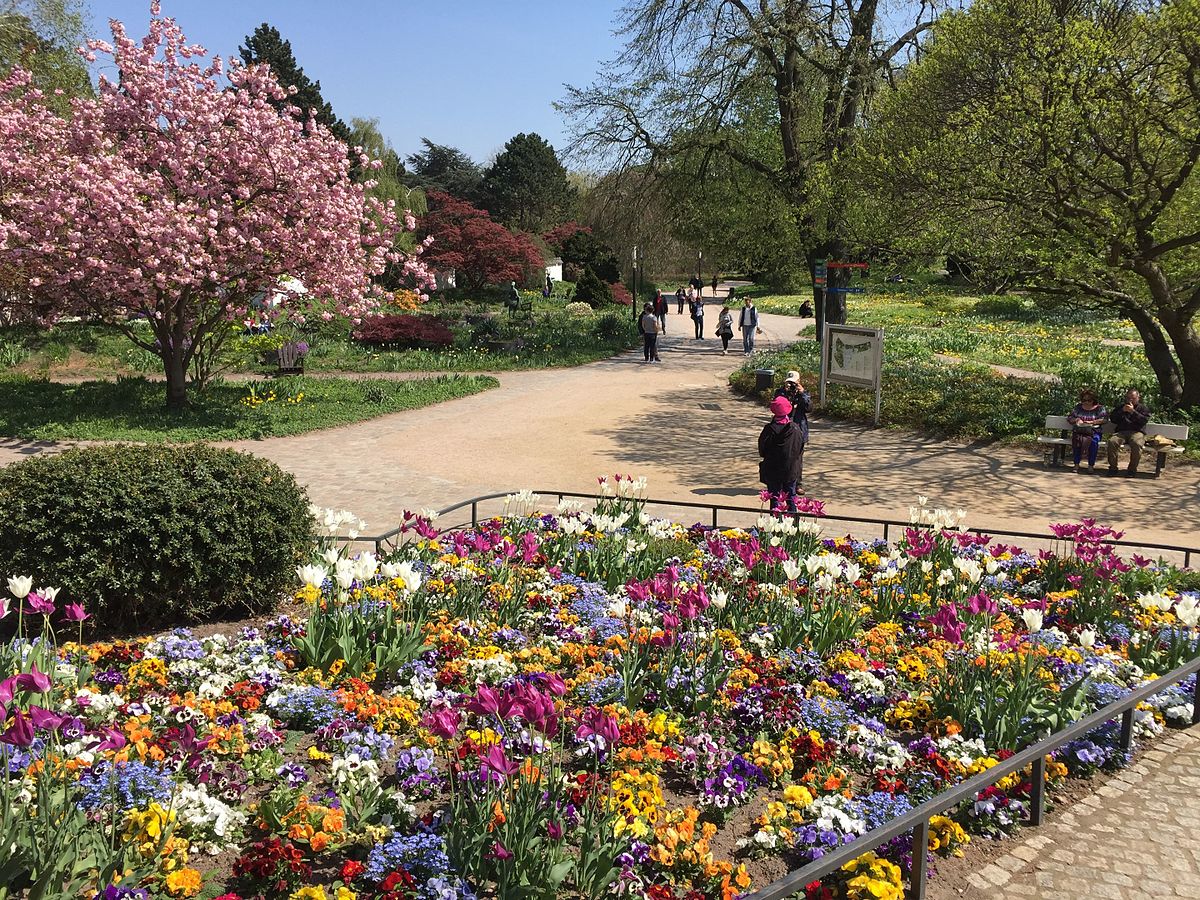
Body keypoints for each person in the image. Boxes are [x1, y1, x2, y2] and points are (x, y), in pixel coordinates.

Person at [758, 396, 805, 512]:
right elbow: (800, 448)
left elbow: (762, 450)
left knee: (775, 498)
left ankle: (775, 526)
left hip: (773, 470)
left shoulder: (768, 430)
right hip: (791, 470)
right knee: (791, 497)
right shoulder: (795, 429)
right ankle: (793, 525)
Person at [773, 371, 813, 485]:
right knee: (781, 456)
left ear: (798, 382)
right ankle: (781, 482)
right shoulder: (780, 392)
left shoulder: (803, 393)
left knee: (797, 459)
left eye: (793, 383)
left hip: (799, 429)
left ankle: (797, 483)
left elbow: (809, 408)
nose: (791, 385)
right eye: (789, 382)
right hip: (783, 428)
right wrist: (785, 393)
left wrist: (802, 393)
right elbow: (777, 405)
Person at [1107, 388, 1150, 476]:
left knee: (1136, 443)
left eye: (1133, 398)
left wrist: (1132, 411)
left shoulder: (1143, 408)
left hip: (1137, 432)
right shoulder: (1121, 407)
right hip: (1121, 432)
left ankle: (1132, 470)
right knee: (1112, 442)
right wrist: (1122, 411)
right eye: (1128, 398)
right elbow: (1113, 419)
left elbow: (1144, 420)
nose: (1130, 400)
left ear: (1138, 398)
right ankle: (1113, 468)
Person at [1067, 389, 1107, 472]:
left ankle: (1091, 465)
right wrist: (1077, 420)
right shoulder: (1078, 407)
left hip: (1093, 431)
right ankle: (1076, 464)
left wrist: (1092, 422)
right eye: (1084, 400)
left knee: (1094, 442)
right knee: (1076, 441)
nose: (1086, 402)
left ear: (1093, 400)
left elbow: (1104, 420)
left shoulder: (1100, 408)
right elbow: (1070, 418)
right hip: (1079, 430)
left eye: (1089, 400)